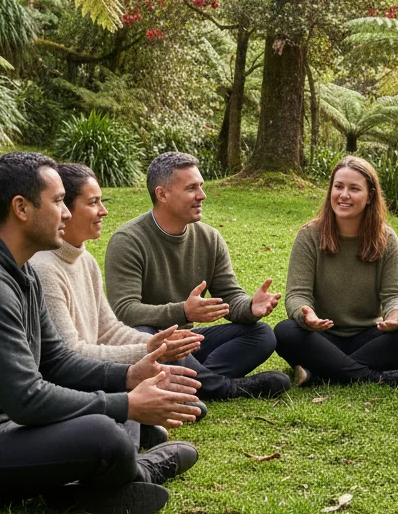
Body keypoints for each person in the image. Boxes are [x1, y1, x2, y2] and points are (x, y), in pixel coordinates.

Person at [0, 152, 204, 514]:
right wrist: (128, 405)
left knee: (106, 419)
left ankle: (76, 492)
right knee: (105, 433)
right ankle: (140, 470)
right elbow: (27, 399)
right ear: (21, 208)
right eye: (57, 202)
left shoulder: (20, 273)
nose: (66, 213)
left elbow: (57, 361)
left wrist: (129, 377)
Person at [31, 162, 207, 449]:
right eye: (93, 203)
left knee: (184, 397)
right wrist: (144, 353)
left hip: (95, 372)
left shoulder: (84, 260)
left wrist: (155, 344)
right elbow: (68, 356)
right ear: (66, 209)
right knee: (131, 384)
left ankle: (140, 426)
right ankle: (129, 444)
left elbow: (108, 329)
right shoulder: (44, 268)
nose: (104, 211)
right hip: (74, 383)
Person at [105, 152, 288, 401]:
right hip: (147, 344)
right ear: (162, 194)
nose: (202, 195)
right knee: (147, 333)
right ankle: (225, 388)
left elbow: (229, 297)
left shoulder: (209, 238)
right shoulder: (128, 241)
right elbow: (124, 311)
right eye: (192, 188)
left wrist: (250, 307)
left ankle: (188, 383)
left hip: (188, 345)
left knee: (262, 334)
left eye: (200, 186)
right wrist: (184, 312)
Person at [274, 156, 398, 391]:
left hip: (370, 336)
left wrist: (396, 315)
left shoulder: (386, 239)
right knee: (285, 332)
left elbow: (395, 294)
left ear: (370, 197)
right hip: (321, 335)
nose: (344, 195)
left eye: (354, 189)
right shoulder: (309, 236)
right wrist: (306, 316)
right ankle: (380, 378)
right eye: (338, 187)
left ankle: (321, 372)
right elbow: (297, 295)